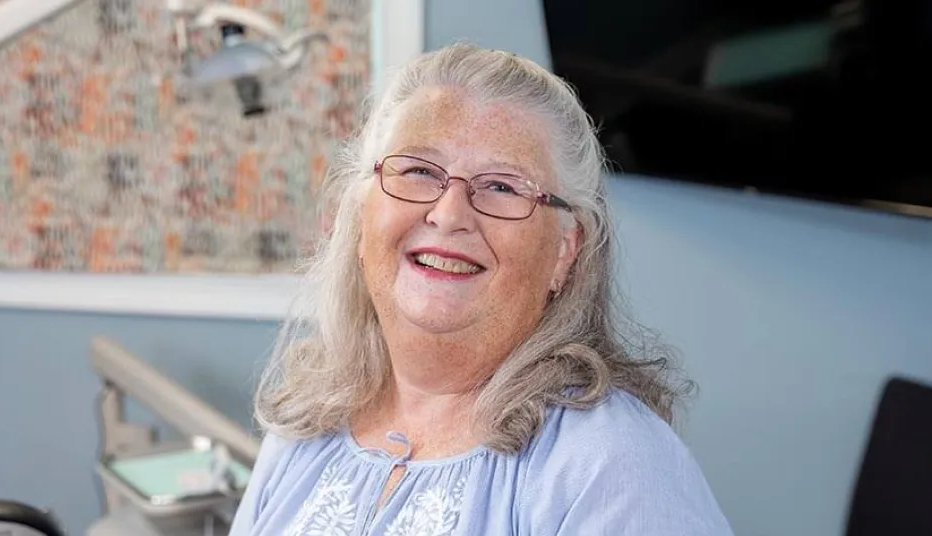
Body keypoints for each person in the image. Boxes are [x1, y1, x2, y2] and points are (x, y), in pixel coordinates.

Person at [228, 42, 734, 535]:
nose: (448, 215)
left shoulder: (612, 463)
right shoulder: (307, 425)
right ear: (362, 219)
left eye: (501, 186)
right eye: (420, 171)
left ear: (565, 250)